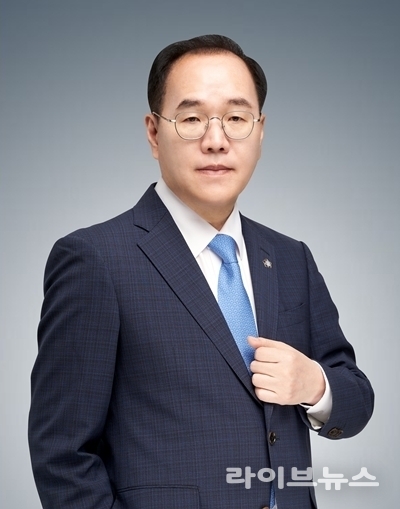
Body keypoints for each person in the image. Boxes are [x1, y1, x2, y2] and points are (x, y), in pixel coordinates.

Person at [28, 34, 374, 509]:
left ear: (260, 131)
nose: (216, 140)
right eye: (191, 119)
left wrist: (314, 384)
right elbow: (61, 455)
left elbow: (355, 400)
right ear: (154, 133)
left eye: (236, 118)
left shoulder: (290, 257)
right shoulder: (96, 259)